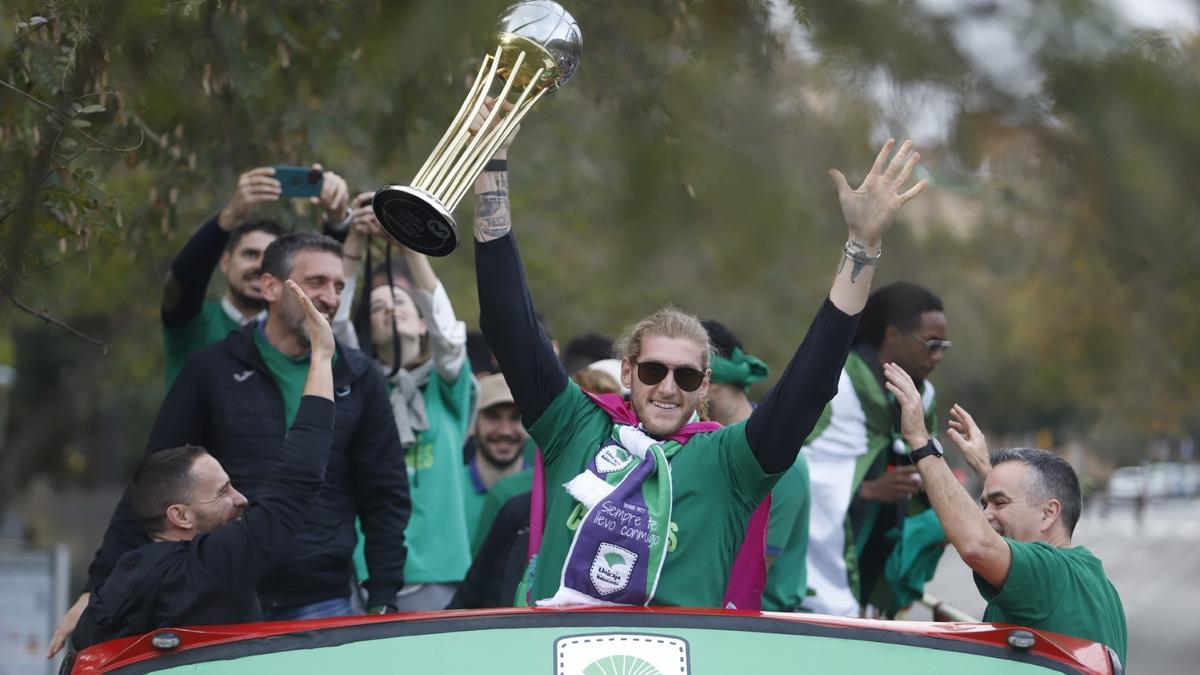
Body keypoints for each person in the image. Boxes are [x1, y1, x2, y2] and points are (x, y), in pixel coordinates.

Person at [473, 124, 928, 606]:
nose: (668, 387)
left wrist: (861, 245)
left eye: (686, 376)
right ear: (627, 372)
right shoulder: (575, 427)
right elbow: (509, 324)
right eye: (653, 371)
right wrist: (491, 168)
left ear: (704, 385)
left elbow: (810, 384)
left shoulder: (729, 462)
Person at [51, 233, 410, 654]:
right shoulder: (212, 368)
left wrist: (384, 598)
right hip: (221, 604)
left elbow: (385, 496)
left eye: (338, 286)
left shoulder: (360, 376)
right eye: (315, 283)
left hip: (322, 600)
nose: (329, 298)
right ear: (269, 286)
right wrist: (98, 589)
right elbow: (155, 483)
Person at [71, 280, 337, 651]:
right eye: (223, 491)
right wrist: (322, 356)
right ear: (179, 515)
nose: (242, 498)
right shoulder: (212, 567)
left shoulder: (115, 589)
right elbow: (297, 481)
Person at [882, 365, 1127, 664]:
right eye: (985, 503)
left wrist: (920, 442)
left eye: (999, 502)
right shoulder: (1096, 582)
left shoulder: (1047, 574)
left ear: (1049, 513)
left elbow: (978, 546)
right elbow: (1020, 504)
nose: (985, 515)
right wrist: (990, 472)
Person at [338, 193, 477, 612]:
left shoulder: (446, 383)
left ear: (420, 320)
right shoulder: (358, 383)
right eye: (377, 306)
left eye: (398, 301)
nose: (388, 309)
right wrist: (353, 245)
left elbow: (449, 334)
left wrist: (409, 245)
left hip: (440, 569)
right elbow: (334, 323)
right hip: (366, 569)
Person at [804, 281, 948, 617]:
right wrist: (866, 490)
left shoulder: (923, 398)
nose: (938, 356)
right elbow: (786, 470)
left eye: (944, 346)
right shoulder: (834, 384)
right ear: (893, 334)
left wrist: (928, 485)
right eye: (931, 343)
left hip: (880, 559)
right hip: (819, 571)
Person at [162, 165, 349, 387]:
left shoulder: (295, 330)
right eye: (250, 254)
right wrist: (230, 215)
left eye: (268, 258)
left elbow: (324, 277)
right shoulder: (195, 321)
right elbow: (182, 281)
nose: (260, 266)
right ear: (225, 261)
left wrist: (337, 222)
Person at [702, 319, 811, 613]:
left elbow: (748, 570)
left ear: (709, 383)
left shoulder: (782, 464)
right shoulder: (703, 447)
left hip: (766, 629)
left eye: (684, 379)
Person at [463, 374, 529, 545]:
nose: (505, 431)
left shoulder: (543, 490)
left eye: (516, 417)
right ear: (472, 424)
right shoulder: (450, 490)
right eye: (493, 417)